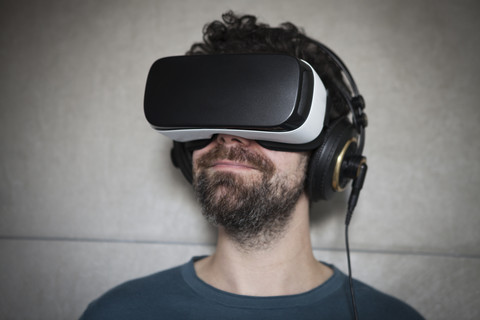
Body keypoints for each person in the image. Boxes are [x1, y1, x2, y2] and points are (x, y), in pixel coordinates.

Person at [80, 11, 424, 320]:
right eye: (214, 115)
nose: (229, 138)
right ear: (187, 156)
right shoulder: (118, 313)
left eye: (264, 115)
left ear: (330, 155)